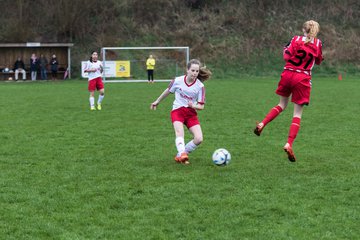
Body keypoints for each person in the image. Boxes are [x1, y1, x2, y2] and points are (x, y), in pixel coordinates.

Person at [254, 20, 324, 162]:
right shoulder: (318, 44)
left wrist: (285, 50)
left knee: (281, 105)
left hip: (287, 74)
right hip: (302, 78)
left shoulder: (295, 39)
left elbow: (286, 57)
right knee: (297, 113)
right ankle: (289, 144)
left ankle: (262, 123)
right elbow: (318, 61)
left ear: (303, 29)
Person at [150, 59, 212, 164]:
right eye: (192, 70)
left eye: (197, 71)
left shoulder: (200, 86)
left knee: (199, 138)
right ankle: (182, 154)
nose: (195, 73)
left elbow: (201, 107)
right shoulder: (177, 80)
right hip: (178, 110)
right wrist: (157, 101)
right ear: (187, 70)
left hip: (191, 113)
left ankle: (181, 154)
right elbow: (168, 91)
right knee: (179, 132)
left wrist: (194, 105)